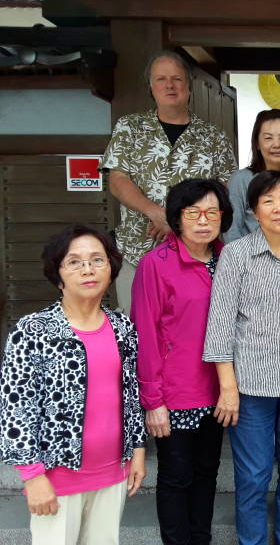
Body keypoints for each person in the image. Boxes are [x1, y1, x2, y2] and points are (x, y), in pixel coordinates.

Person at [0, 225, 147, 545]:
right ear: (57, 272)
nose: (88, 269)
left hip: (112, 474)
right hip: (56, 479)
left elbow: (131, 396)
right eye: (75, 262)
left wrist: (137, 450)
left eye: (98, 260)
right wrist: (33, 476)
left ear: (111, 268)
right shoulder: (33, 330)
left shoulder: (122, 327)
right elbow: (16, 408)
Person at [202, 171, 280, 545]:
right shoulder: (236, 255)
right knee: (253, 476)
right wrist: (227, 387)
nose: (278, 208)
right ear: (253, 210)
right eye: (268, 201)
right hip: (250, 388)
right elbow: (220, 323)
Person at [130, 178, 234, 545]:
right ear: (177, 218)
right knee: (176, 478)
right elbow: (145, 336)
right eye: (193, 212)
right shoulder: (155, 265)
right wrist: (153, 401)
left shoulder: (230, 259)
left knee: (208, 474)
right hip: (175, 395)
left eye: (212, 212)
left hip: (220, 392)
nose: (203, 220)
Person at [99, 50, 238, 313]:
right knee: (139, 326)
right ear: (151, 87)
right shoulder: (129, 128)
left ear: (189, 86)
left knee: (195, 325)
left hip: (196, 253)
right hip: (138, 249)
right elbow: (117, 180)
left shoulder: (213, 136)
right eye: (161, 79)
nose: (169, 85)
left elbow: (225, 187)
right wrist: (155, 212)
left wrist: (177, 221)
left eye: (176, 78)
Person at [226, 109, 280, 242]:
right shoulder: (241, 180)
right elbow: (231, 231)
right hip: (251, 261)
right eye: (268, 138)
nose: (277, 144)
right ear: (257, 144)